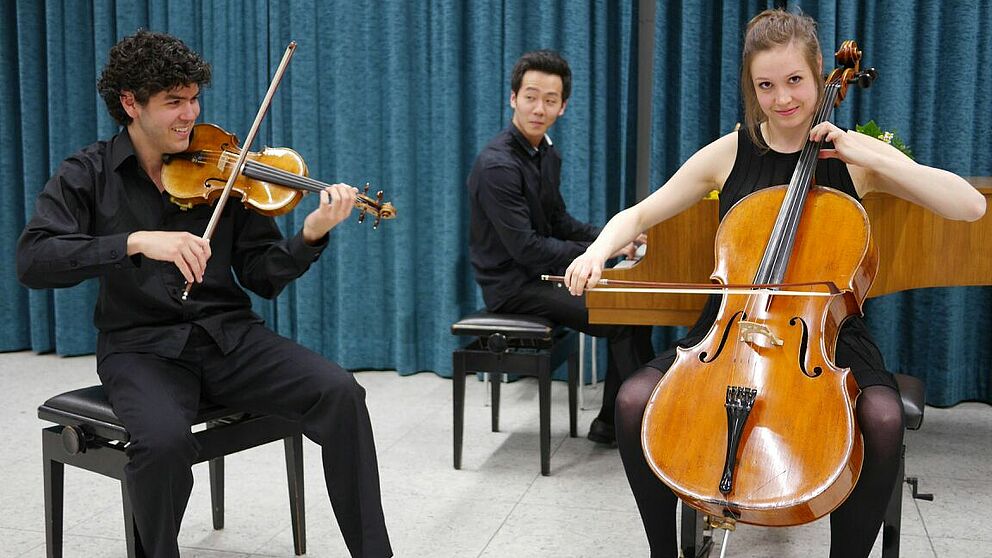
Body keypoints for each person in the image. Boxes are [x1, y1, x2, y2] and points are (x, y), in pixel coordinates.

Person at [563, 9, 985, 558]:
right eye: (766, 85)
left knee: (881, 419)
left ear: (817, 77)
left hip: (826, 336)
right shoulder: (730, 152)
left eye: (794, 81)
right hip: (728, 327)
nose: (782, 98)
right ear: (752, 87)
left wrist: (867, 154)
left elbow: (970, 207)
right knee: (632, 399)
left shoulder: (854, 158)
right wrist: (597, 250)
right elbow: (639, 214)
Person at [16, 30, 392, 558]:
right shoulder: (88, 173)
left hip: (228, 337)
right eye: (174, 101)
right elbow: (33, 260)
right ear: (131, 103)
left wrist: (310, 234)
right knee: (164, 445)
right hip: (140, 347)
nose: (190, 114)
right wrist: (135, 241)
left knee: (341, 394)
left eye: (193, 98)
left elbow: (262, 274)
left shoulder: (224, 165)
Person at [467, 49, 655, 445]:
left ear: (563, 106)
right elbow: (526, 250)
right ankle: (637, 429)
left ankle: (612, 423)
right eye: (531, 96)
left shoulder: (546, 153)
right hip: (512, 286)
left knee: (637, 307)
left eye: (550, 100)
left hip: (540, 276)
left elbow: (560, 223)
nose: (539, 107)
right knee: (623, 316)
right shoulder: (497, 164)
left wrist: (612, 239)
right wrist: (596, 254)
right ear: (513, 98)